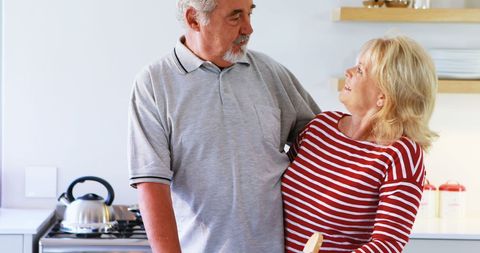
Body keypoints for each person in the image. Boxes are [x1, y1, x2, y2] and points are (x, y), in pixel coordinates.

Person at [127, 0, 320, 252]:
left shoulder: (271, 73)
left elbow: (321, 145)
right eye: (235, 17)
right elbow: (151, 185)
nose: (248, 29)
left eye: (249, 14)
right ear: (194, 19)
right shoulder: (154, 83)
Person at [282, 36, 438, 253]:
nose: (348, 71)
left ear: (383, 95)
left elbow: (387, 245)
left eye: (361, 70)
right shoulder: (320, 127)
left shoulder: (400, 154)